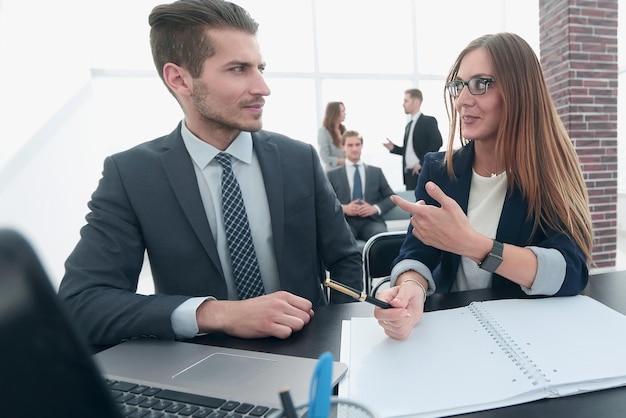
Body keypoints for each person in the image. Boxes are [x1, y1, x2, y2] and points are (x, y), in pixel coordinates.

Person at [57, 0, 363, 348]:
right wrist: (216, 313)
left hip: (310, 356)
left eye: (260, 67)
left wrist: (342, 340)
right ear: (179, 79)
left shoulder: (299, 159)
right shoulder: (131, 175)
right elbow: (81, 304)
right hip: (202, 369)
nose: (262, 87)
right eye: (238, 69)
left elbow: (345, 260)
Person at [374, 32, 594, 340]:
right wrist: (410, 287)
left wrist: (475, 246)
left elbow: (571, 271)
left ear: (520, 93)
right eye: (458, 85)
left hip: (530, 336)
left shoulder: (550, 172)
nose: (462, 100)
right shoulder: (438, 170)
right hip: (452, 332)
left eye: (480, 84)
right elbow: (417, 253)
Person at [326, 130, 395, 246]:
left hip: (371, 222)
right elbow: (325, 201)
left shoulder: (376, 172)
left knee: (382, 240)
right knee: (340, 239)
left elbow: (391, 197)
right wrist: (343, 208)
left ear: (361, 146)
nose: (354, 149)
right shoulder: (332, 175)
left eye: (357, 144)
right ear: (343, 147)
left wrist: (375, 208)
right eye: (350, 145)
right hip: (345, 221)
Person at [383, 88, 443, 191]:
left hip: (421, 172)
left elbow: (436, 142)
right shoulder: (409, 126)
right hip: (409, 175)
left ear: (416, 102)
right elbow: (409, 151)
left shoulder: (428, 121)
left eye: (406, 101)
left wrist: (421, 163)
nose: (403, 104)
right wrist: (394, 148)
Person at [318, 101, 347, 170]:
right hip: (333, 172)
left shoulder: (344, 130)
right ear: (335, 114)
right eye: (342, 111)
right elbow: (325, 157)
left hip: (346, 171)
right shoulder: (323, 131)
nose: (345, 114)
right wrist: (346, 161)